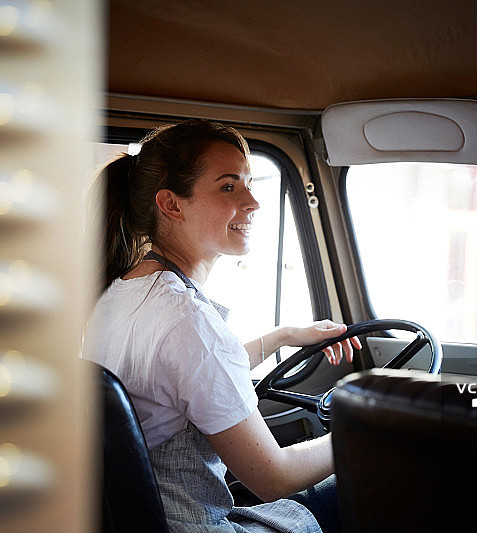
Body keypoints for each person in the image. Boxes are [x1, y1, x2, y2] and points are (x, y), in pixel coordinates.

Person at [82, 119, 361, 533]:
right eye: (229, 187)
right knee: (375, 478)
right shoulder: (187, 320)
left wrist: (282, 336)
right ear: (172, 204)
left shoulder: (122, 292)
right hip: (198, 527)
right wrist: (360, 430)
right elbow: (275, 477)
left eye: (249, 184)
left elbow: (186, 376)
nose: (253, 202)